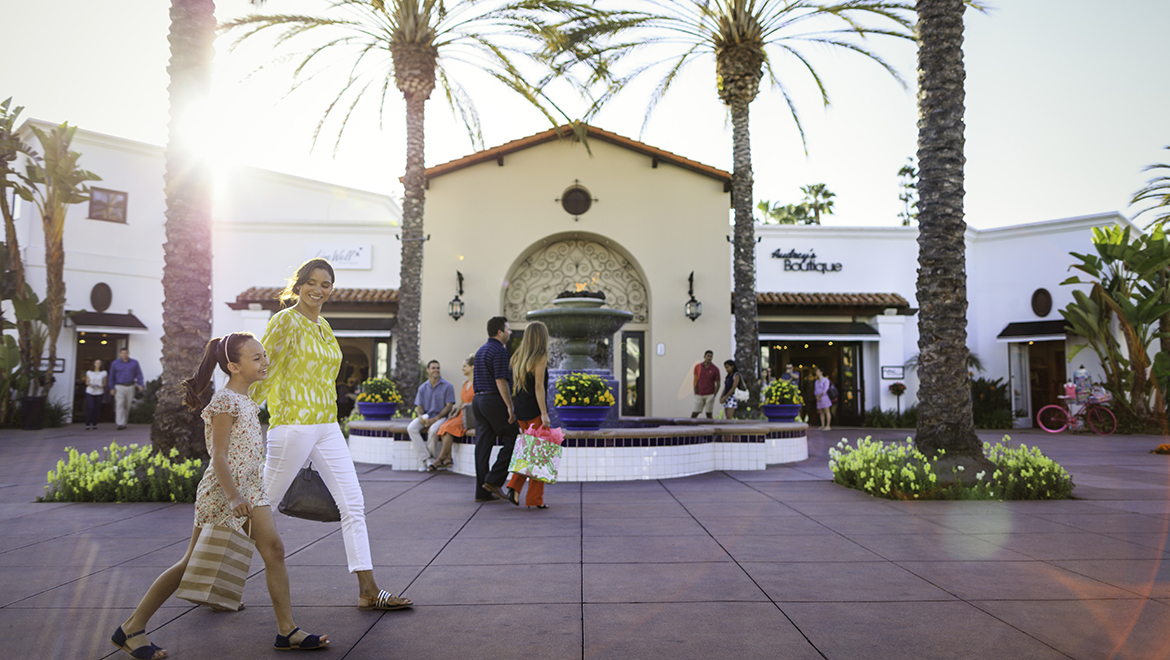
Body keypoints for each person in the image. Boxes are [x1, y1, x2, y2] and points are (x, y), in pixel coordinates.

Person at [110, 333, 327, 658]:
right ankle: (131, 627)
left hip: (251, 489)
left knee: (275, 550)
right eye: (256, 358)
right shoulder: (224, 402)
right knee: (189, 563)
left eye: (263, 355)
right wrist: (234, 495)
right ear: (233, 366)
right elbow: (219, 457)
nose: (264, 362)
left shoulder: (247, 400)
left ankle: (287, 631)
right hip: (223, 493)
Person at [252, 258, 412, 612]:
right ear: (299, 284)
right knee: (259, 509)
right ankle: (218, 578)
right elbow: (264, 371)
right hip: (292, 424)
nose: (318, 289)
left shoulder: (324, 325)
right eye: (312, 282)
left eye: (326, 284)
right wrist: (241, 412)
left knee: (353, 505)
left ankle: (368, 589)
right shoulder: (283, 322)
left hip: (327, 426)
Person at [472, 316, 520, 504]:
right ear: (499, 332)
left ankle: (481, 492)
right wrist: (509, 406)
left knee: (483, 447)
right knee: (515, 440)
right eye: (508, 329)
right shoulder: (499, 350)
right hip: (493, 399)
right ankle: (493, 481)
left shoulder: (481, 350)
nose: (510, 332)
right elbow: (501, 380)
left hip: (478, 401)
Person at [505, 321, 552, 509]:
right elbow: (538, 387)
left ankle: (515, 488)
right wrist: (544, 413)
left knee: (529, 452)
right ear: (542, 337)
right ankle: (533, 499)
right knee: (539, 455)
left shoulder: (518, 357)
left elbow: (518, 387)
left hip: (521, 410)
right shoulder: (540, 357)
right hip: (534, 411)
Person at [407, 360, 456, 471]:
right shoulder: (422, 388)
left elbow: (449, 406)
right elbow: (419, 406)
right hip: (426, 417)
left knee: (433, 430)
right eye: (433, 368)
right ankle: (427, 458)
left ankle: (431, 460)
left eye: (438, 368)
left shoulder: (448, 386)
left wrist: (436, 418)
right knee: (411, 428)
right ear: (428, 370)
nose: (436, 370)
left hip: (441, 417)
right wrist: (420, 416)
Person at [431, 355, 474, 471]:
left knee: (448, 426)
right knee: (445, 425)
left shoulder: (478, 383)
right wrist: (455, 413)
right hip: (461, 414)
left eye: (464, 366)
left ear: (472, 367)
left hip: (470, 416)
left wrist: (467, 406)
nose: (462, 369)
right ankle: (448, 457)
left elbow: (479, 401)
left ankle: (439, 459)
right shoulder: (465, 383)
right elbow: (462, 402)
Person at [108, 348, 144, 429]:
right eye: (122, 353)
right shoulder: (115, 363)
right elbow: (111, 376)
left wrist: (140, 384)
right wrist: (111, 387)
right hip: (119, 386)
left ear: (128, 354)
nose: (124, 355)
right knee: (119, 404)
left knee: (127, 405)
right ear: (120, 354)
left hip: (130, 386)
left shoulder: (134, 363)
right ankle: (120, 423)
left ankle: (124, 422)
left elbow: (139, 374)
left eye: (126, 353)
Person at [691, 350, 721, 419]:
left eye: (711, 356)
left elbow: (718, 383)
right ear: (704, 357)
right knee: (695, 412)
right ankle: (690, 427)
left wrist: (714, 394)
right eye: (708, 356)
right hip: (699, 394)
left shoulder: (715, 369)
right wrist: (695, 391)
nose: (709, 358)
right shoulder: (698, 367)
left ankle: (710, 428)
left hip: (710, 394)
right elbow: (695, 380)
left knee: (709, 414)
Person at [84, 358, 107, 430]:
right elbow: (87, 382)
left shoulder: (104, 373)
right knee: (91, 407)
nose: (98, 364)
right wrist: (90, 385)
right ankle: (87, 424)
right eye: (96, 363)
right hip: (90, 391)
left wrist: (101, 386)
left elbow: (104, 383)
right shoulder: (89, 372)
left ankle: (94, 424)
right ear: (94, 364)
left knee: (97, 408)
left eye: (99, 363)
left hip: (99, 392)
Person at [813, 367, 832, 431]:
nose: (816, 373)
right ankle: (822, 425)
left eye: (818, 371)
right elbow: (815, 390)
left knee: (827, 411)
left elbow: (825, 389)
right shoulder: (816, 381)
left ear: (821, 372)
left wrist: (820, 395)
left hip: (824, 397)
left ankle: (828, 425)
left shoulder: (825, 380)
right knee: (821, 412)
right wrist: (816, 396)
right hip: (818, 398)